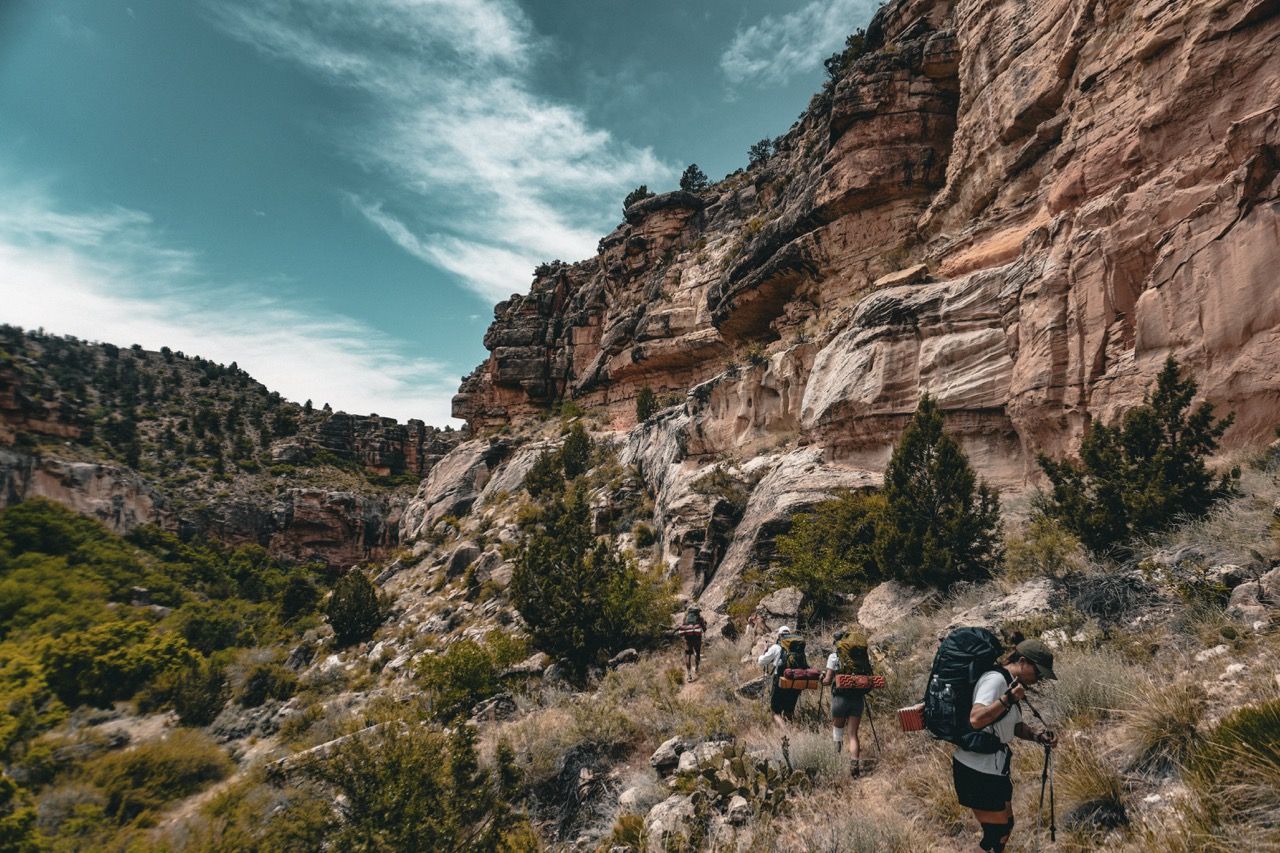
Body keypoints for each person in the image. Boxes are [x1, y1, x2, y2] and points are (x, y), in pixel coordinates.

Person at [954, 638, 1059, 853]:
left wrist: (1038, 736)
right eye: (1038, 672)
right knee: (997, 832)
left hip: (993, 767)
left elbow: (1013, 725)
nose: (1038, 679)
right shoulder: (995, 681)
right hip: (975, 769)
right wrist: (1008, 699)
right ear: (1022, 661)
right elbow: (976, 719)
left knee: (1005, 827)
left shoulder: (1010, 682)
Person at [821, 629, 868, 775]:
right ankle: (854, 764)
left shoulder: (834, 657)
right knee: (853, 734)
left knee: (838, 732)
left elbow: (828, 681)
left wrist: (822, 680)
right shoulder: (862, 656)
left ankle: (837, 760)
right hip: (858, 698)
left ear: (836, 642)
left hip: (840, 699)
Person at [757, 626, 802, 726]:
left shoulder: (776, 647)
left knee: (775, 711)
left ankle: (786, 732)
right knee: (789, 710)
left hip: (780, 681)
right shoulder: (798, 648)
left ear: (779, 636)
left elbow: (761, 661)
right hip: (796, 681)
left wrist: (765, 650)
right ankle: (790, 728)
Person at [680, 605, 708, 682]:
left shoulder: (685, 618)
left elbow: (683, 627)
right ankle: (697, 668)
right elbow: (704, 629)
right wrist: (704, 624)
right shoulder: (700, 618)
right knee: (697, 653)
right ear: (697, 612)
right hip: (697, 639)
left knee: (688, 655)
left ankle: (689, 675)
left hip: (688, 639)